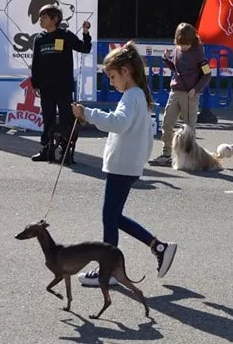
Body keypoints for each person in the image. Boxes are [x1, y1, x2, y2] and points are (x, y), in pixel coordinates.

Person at [71, 41, 178, 286]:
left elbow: (118, 123)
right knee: (114, 217)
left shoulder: (132, 97)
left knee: (109, 217)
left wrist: (87, 113)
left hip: (123, 165)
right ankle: (159, 247)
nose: (111, 82)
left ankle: (107, 273)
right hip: (127, 164)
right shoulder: (136, 95)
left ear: (126, 72)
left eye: (112, 77)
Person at [28, 4, 92, 164]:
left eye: (44, 17)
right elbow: (36, 64)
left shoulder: (65, 35)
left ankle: (66, 151)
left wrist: (85, 33)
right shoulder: (39, 39)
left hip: (63, 87)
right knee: (48, 118)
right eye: (40, 16)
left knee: (66, 119)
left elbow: (84, 48)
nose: (40, 20)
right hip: (46, 87)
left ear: (54, 19)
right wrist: (35, 84)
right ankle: (46, 150)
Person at [148, 22, 212, 166]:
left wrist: (196, 89)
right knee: (166, 124)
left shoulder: (199, 53)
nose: (182, 47)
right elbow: (177, 69)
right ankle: (166, 154)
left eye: (185, 45)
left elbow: (207, 75)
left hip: (190, 94)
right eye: (180, 44)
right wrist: (166, 60)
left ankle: (190, 157)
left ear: (192, 40)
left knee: (189, 128)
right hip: (175, 91)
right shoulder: (177, 49)